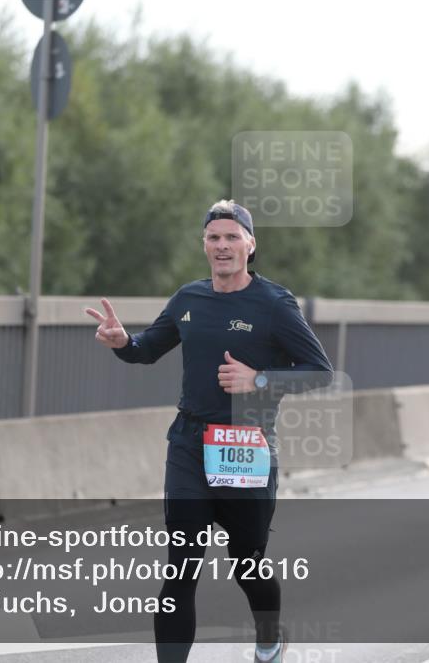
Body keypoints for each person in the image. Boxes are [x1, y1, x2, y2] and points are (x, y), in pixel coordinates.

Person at [86, 199, 332, 663]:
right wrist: (123, 343)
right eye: (214, 238)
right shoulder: (188, 299)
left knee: (247, 563)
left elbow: (319, 372)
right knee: (181, 567)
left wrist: (258, 379)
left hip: (245, 445)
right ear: (205, 245)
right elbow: (146, 349)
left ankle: (269, 640)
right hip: (189, 443)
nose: (222, 246)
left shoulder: (275, 304)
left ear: (250, 245)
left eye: (231, 237)